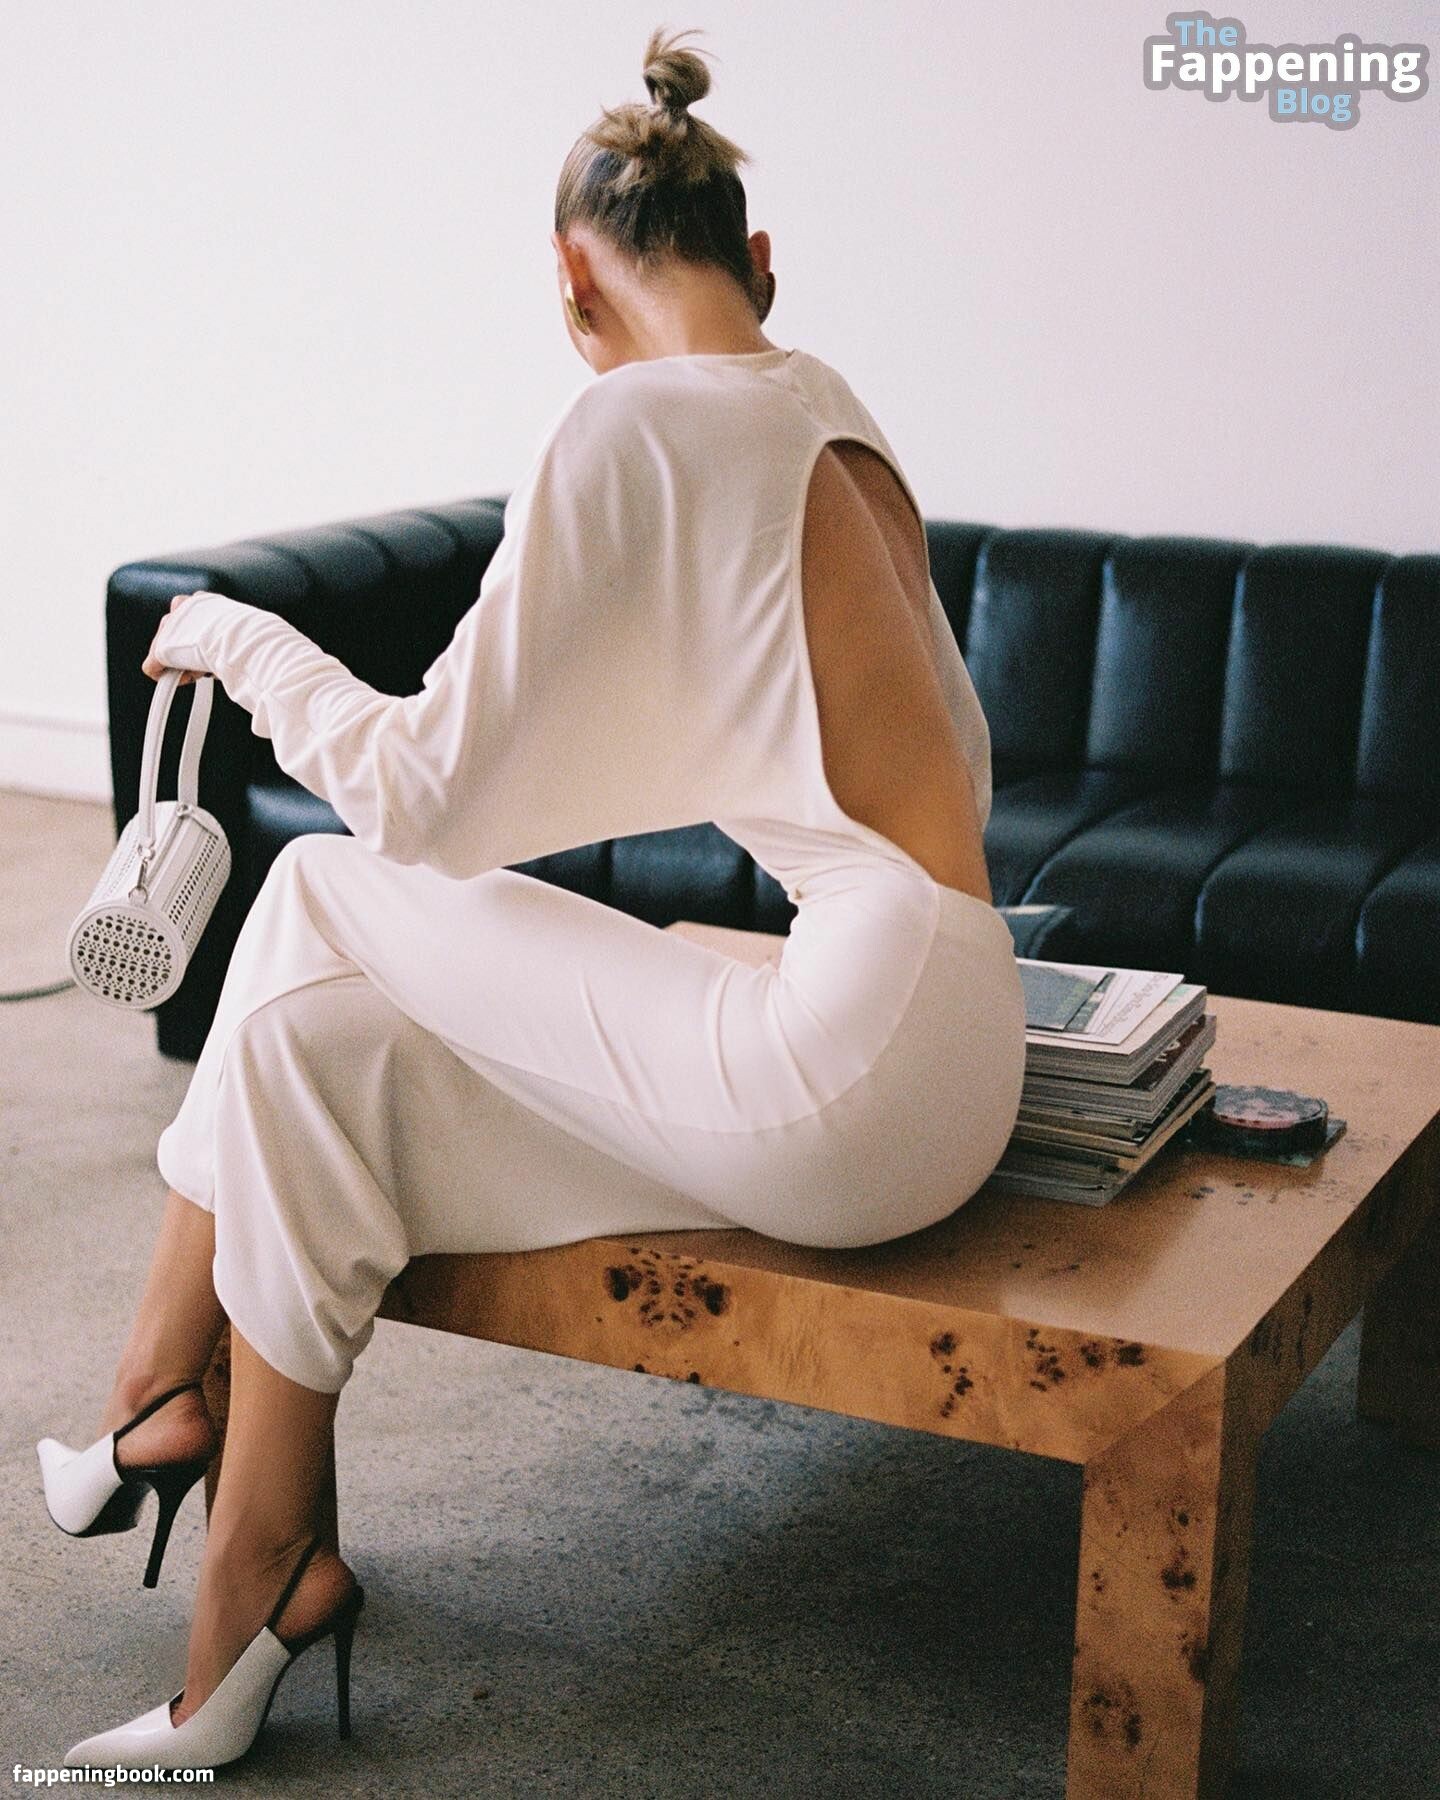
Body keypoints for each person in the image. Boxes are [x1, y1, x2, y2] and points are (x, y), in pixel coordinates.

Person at [39, 23, 1027, 1772]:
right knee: (315, 1063)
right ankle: (262, 1570)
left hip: (849, 1061)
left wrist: (248, 643)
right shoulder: (829, 410)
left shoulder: (632, 420)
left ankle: (151, 1392)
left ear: (573, 281)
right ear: (759, 257)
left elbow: (418, 805)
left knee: (322, 883)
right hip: (956, 1046)